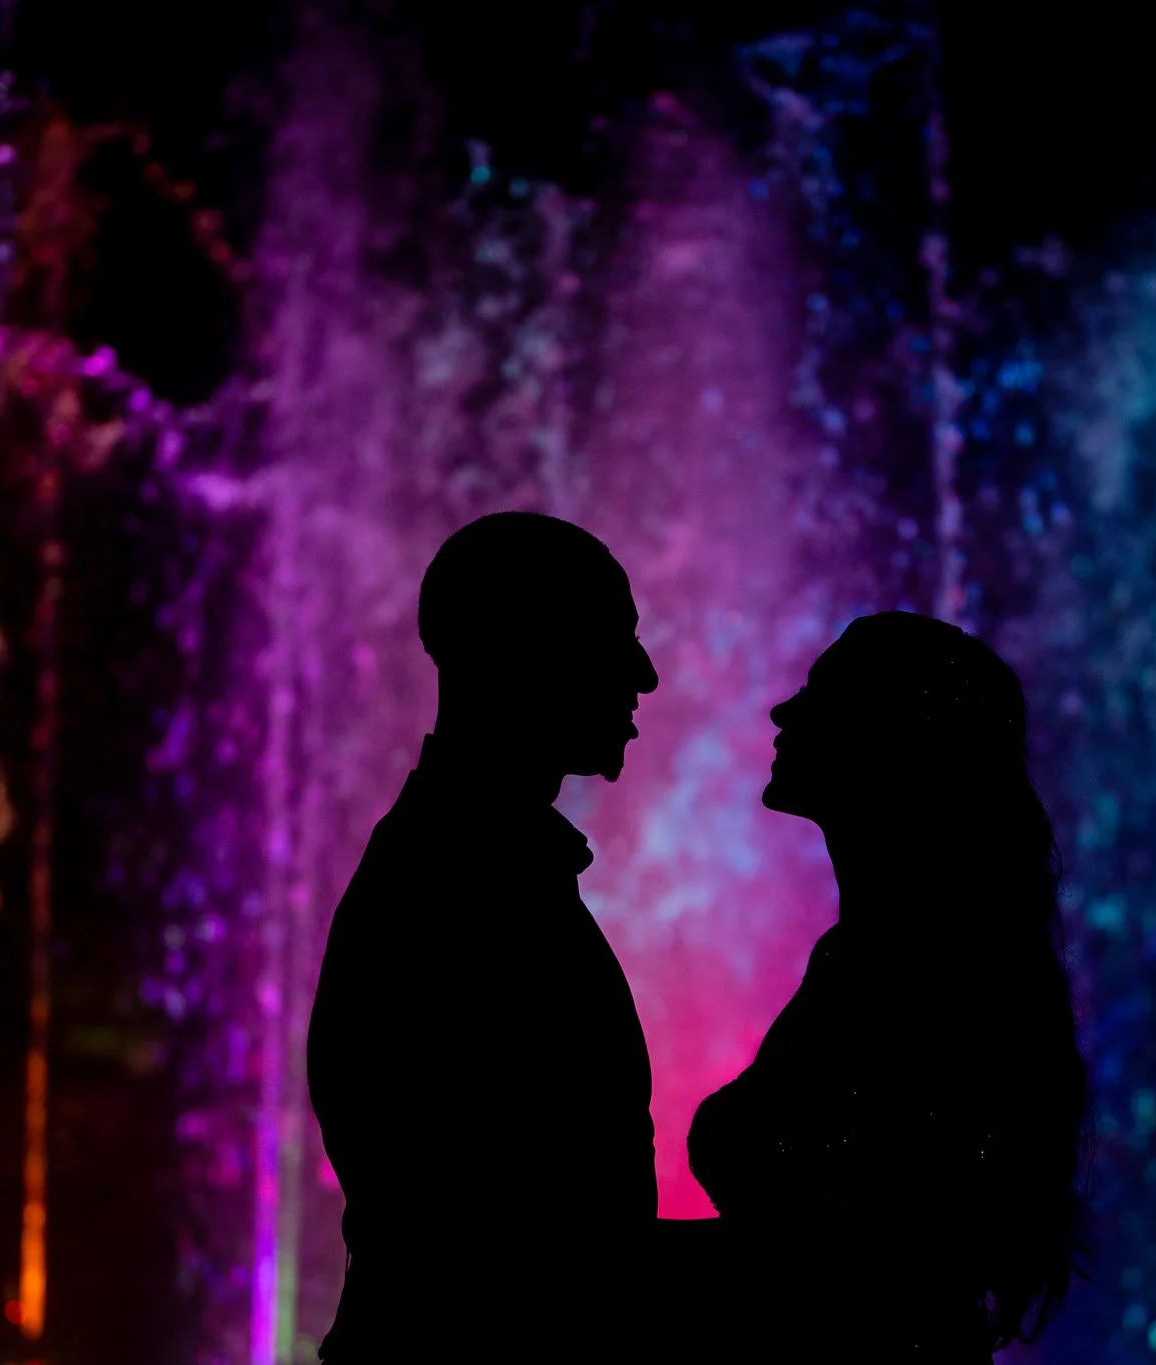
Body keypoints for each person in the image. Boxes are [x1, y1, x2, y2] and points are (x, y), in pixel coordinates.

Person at [680, 611, 1090, 1362]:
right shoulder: (892, 955)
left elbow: (843, 1270)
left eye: (821, 691)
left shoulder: (915, 973)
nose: (784, 709)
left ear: (890, 741)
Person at [307, 512, 661, 1361]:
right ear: (529, 655)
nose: (644, 675)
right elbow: (512, 1236)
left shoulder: (459, 862)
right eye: (615, 638)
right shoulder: (459, 883)